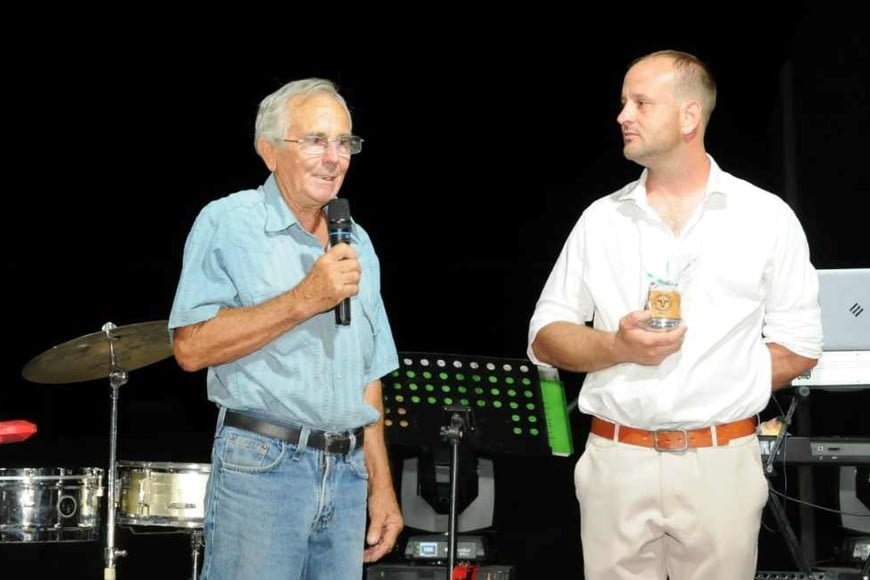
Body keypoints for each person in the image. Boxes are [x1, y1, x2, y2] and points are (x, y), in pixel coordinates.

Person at [527, 50, 823, 580]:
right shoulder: (601, 220)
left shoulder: (765, 217)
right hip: (617, 460)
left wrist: (712, 382)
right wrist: (616, 347)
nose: (623, 115)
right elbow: (546, 337)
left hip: (719, 463)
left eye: (640, 103)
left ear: (689, 116)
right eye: (624, 102)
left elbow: (800, 345)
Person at [168, 77, 403, 580]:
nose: (334, 158)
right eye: (316, 140)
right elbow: (190, 347)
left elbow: (368, 376)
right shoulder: (229, 223)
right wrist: (305, 299)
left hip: (347, 476)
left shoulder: (357, 242)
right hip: (264, 468)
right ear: (269, 151)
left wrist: (381, 487)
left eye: (344, 142)